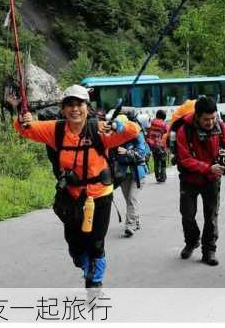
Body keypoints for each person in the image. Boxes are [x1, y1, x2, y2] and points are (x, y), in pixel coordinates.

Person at [8, 85, 140, 288]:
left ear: (87, 107)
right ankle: (85, 264)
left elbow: (134, 131)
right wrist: (23, 120)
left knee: (96, 243)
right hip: (71, 195)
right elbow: (25, 129)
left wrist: (117, 126)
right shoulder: (56, 129)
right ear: (63, 108)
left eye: (79, 104)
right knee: (76, 246)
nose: (75, 109)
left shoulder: (100, 128)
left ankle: (95, 283)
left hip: (99, 195)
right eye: (70, 104)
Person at [175, 96, 225, 266]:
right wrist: (208, 167)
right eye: (206, 119)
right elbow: (185, 158)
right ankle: (192, 241)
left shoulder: (220, 126)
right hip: (189, 179)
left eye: (212, 118)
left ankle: (209, 250)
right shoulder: (184, 130)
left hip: (212, 179)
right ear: (197, 116)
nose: (210, 122)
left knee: (211, 217)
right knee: (187, 215)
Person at [113, 113, 151, 238]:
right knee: (128, 200)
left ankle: (129, 226)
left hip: (138, 173)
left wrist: (126, 151)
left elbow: (141, 153)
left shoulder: (137, 135)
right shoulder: (116, 137)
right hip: (123, 174)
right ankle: (137, 221)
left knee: (132, 198)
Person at [146, 109, 170, 183]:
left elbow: (147, 132)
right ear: (164, 117)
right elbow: (168, 133)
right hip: (161, 145)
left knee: (156, 161)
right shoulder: (165, 124)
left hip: (152, 145)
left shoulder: (151, 122)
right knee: (163, 161)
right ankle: (163, 176)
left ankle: (157, 176)